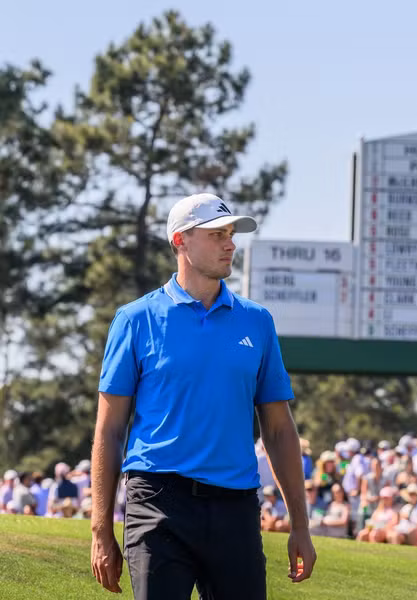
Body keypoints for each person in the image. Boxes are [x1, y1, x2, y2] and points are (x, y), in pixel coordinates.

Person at [90, 193, 316, 599]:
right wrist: (101, 529)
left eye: (230, 234)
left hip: (236, 506)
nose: (229, 244)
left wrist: (300, 525)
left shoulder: (257, 322)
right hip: (157, 501)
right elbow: (109, 431)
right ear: (180, 241)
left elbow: (280, 431)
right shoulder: (135, 319)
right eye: (216, 235)